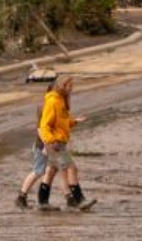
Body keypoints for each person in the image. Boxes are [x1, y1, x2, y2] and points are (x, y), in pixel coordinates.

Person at [16, 72, 94, 210]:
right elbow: (44, 126)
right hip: (55, 144)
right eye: (70, 85)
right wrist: (51, 142)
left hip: (58, 142)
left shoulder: (60, 101)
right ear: (62, 85)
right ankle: (79, 200)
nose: (72, 88)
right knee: (71, 168)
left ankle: (43, 202)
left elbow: (60, 122)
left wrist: (74, 121)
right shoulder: (52, 102)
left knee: (51, 171)